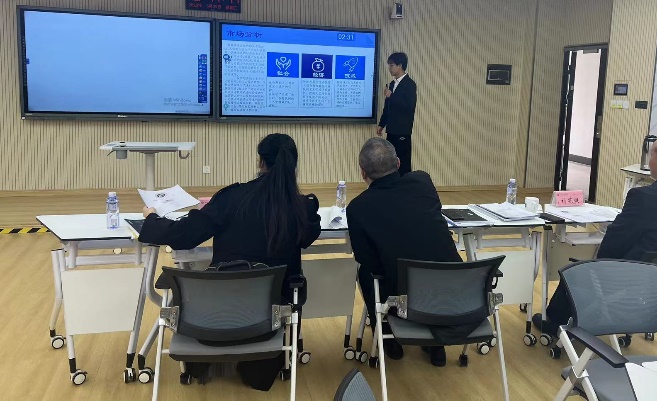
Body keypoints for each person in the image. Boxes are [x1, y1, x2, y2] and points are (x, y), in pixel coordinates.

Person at [138, 133, 321, 390]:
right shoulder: (302, 208)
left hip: (215, 319)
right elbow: (309, 235)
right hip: (269, 320)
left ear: (260, 162)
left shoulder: (232, 198)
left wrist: (151, 218)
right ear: (294, 165)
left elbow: (183, 236)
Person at [535, 134, 657, 334]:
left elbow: (614, 244)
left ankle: (555, 325)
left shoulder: (644, 197)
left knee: (579, 270)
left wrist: (597, 265)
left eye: (652, 155)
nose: (649, 162)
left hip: (639, 285)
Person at [347, 138, 461, 367]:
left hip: (403, 297)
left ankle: (387, 333)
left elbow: (368, 261)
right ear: (398, 163)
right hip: (453, 293)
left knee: (367, 274)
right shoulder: (422, 182)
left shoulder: (358, 208)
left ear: (363, 173)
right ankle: (435, 345)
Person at [377, 52, 417, 176]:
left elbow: (409, 106)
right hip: (391, 130)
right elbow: (387, 107)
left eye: (392, 65)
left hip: (402, 130)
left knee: (403, 161)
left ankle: (405, 185)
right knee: (391, 160)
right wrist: (382, 124)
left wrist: (392, 96)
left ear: (400, 65)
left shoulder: (409, 84)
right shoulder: (392, 84)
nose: (389, 68)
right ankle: (393, 184)